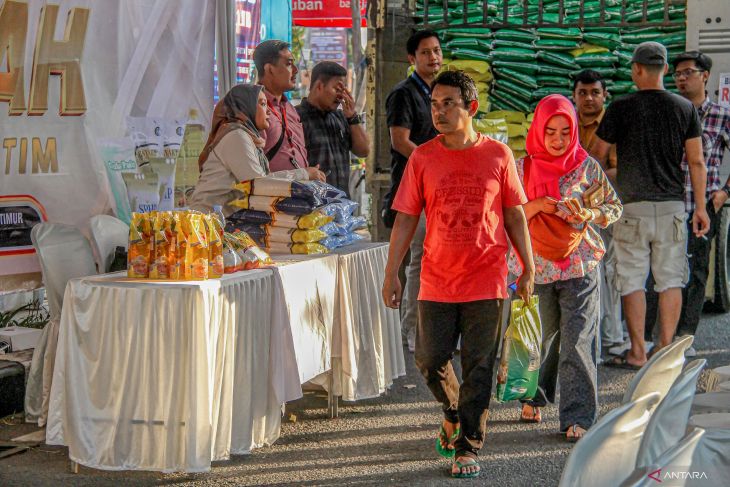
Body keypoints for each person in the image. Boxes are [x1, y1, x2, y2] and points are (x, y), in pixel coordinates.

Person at [382, 71, 535, 479]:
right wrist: (391, 272)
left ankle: (468, 445)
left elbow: (515, 214)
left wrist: (529, 265)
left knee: (479, 366)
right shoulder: (423, 157)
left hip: (488, 278)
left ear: (471, 107)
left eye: (449, 103)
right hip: (436, 278)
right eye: (434, 104)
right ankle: (452, 411)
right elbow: (405, 219)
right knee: (429, 359)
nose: (439, 111)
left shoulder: (499, 155)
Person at [508, 95, 622, 441]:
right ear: (537, 132)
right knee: (539, 339)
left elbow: (613, 207)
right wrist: (538, 205)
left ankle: (578, 416)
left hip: (579, 264)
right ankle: (534, 397)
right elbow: (506, 216)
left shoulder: (586, 166)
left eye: (565, 132)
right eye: (550, 132)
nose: (558, 140)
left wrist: (588, 214)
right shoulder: (520, 168)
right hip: (534, 267)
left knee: (578, 341)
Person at [591, 42, 709, 369]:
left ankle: (637, 352)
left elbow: (596, 156)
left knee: (631, 281)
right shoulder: (684, 108)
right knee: (671, 279)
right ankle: (665, 350)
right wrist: (700, 208)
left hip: (631, 209)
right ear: (666, 70)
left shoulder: (620, 107)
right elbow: (696, 162)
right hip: (672, 207)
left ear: (636, 70)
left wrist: (599, 197)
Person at [384, 29, 442, 353]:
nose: (433, 57)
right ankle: (412, 332)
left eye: (436, 50)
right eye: (425, 52)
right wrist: (433, 164)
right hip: (413, 190)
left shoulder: (441, 91)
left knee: (431, 260)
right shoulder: (404, 94)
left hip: (438, 190)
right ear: (412, 59)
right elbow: (399, 141)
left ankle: (425, 329)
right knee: (418, 261)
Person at [189, 84, 324, 215]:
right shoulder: (236, 136)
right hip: (207, 224)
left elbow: (258, 179)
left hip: (218, 220)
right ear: (245, 107)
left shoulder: (246, 136)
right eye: (262, 104)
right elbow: (258, 184)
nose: (269, 110)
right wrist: (304, 174)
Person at [672, 51, 730, 355]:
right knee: (665, 271)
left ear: (705, 75)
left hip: (703, 206)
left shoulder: (721, 115)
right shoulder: (672, 112)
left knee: (696, 272)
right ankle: (663, 334)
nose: (681, 78)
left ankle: (686, 335)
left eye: (688, 73)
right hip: (669, 202)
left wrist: (723, 193)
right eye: (677, 74)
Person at [572, 70, 624, 352]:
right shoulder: (567, 125)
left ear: (605, 95)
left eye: (595, 92)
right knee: (580, 276)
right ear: (574, 96)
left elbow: (619, 169)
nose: (589, 98)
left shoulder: (614, 123)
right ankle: (586, 337)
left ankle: (612, 337)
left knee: (610, 271)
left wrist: (589, 181)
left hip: (604, 208)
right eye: (583, 93)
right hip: (572, 212)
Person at [296, 61, 370, 198]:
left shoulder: (341, 118)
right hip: (312, 208)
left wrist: (352, 116)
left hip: (342, 206)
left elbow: (364, 150)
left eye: (344, 90)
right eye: (337, 89)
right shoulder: (297, 118)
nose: (341, 96)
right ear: (319, 86)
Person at [253, 40, 309, 172]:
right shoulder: (252, 107)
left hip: (299, 189)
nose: (295, 70)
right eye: (289, 64)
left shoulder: (289, 108)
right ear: (269, 69)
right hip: (269, 191)